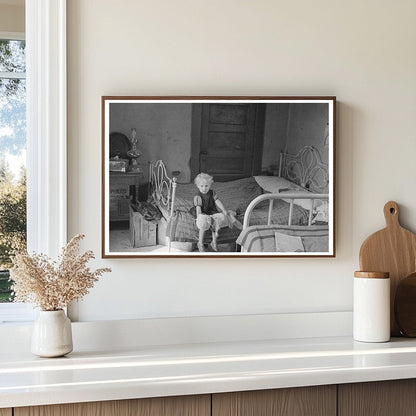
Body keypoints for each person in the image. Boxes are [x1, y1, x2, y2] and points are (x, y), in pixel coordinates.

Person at [191, 173, 242, 252]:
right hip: (202, 212)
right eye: (202, 186)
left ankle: (214, 242)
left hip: (211, 211)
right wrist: (199, 217)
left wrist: (223, 209)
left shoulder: (212, 192)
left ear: (210, 185)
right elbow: (198, 208)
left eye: (206, 186)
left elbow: (217, 201)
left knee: (216, 222)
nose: (204, 188)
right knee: (203, 224)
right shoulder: (198, 196)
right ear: (198, 186)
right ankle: (200, 243)